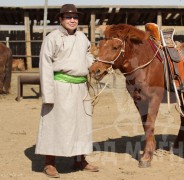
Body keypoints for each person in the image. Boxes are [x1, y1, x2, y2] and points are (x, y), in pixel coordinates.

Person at [35, 4, 98, 178]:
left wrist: (91, 63)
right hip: (60, 87)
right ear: (61, 19)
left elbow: (87, 54)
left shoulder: (82, 37)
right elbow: (45, 66)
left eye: (75, 17)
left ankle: (79, 159)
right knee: (55, 124)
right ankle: (49, 163)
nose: (72, 20)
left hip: (80, 87)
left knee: (81, 124)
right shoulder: (52, 38)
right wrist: (48, 94)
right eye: (68, 17)